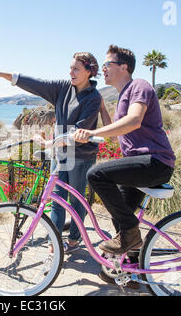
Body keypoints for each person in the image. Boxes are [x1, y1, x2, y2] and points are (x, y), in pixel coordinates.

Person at [0, 52, 111, 254]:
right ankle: (55, 243)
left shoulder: (93, 97)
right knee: (57, 198)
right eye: (70, 68)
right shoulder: (63, 88)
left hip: (80, 157)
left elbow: (78, 131)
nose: (71, 72)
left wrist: (47, 142)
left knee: (77, 201)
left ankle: (75, 241)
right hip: (60, 155)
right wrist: (1, 74)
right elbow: (35, 83)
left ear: (88, 71)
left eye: (76, 68)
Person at [74, 45, 175, 257]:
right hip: (142, 165)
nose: (103, 69)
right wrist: (101, 110)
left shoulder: (139, 86)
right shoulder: (123, 96)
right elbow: (117, 128)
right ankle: (131, 272)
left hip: (154, 162)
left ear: (124, 67)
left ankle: (131, 233)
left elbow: (134, 120)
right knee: (120, 217)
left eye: (107, 64)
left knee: (96, 174)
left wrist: (93, 131)